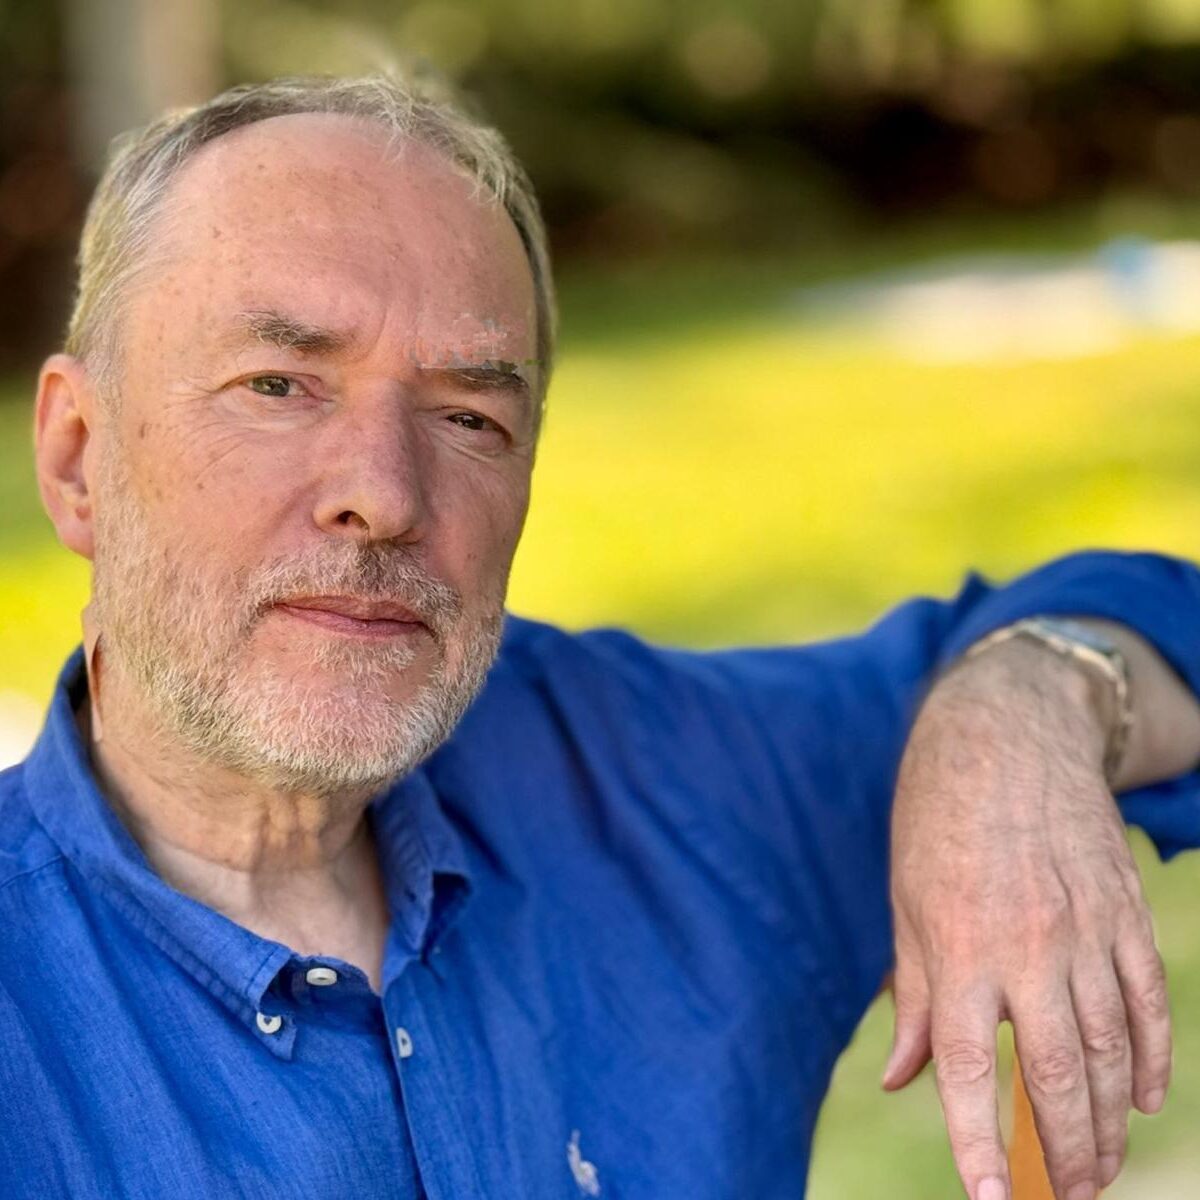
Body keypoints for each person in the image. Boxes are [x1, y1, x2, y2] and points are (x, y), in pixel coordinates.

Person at [4, 72, 1200, 1200]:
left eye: (469, 417)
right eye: (278, 385)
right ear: (77, 459)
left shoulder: (658, 783)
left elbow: (1149, 620)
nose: (385, 493)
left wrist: (1026, 703)